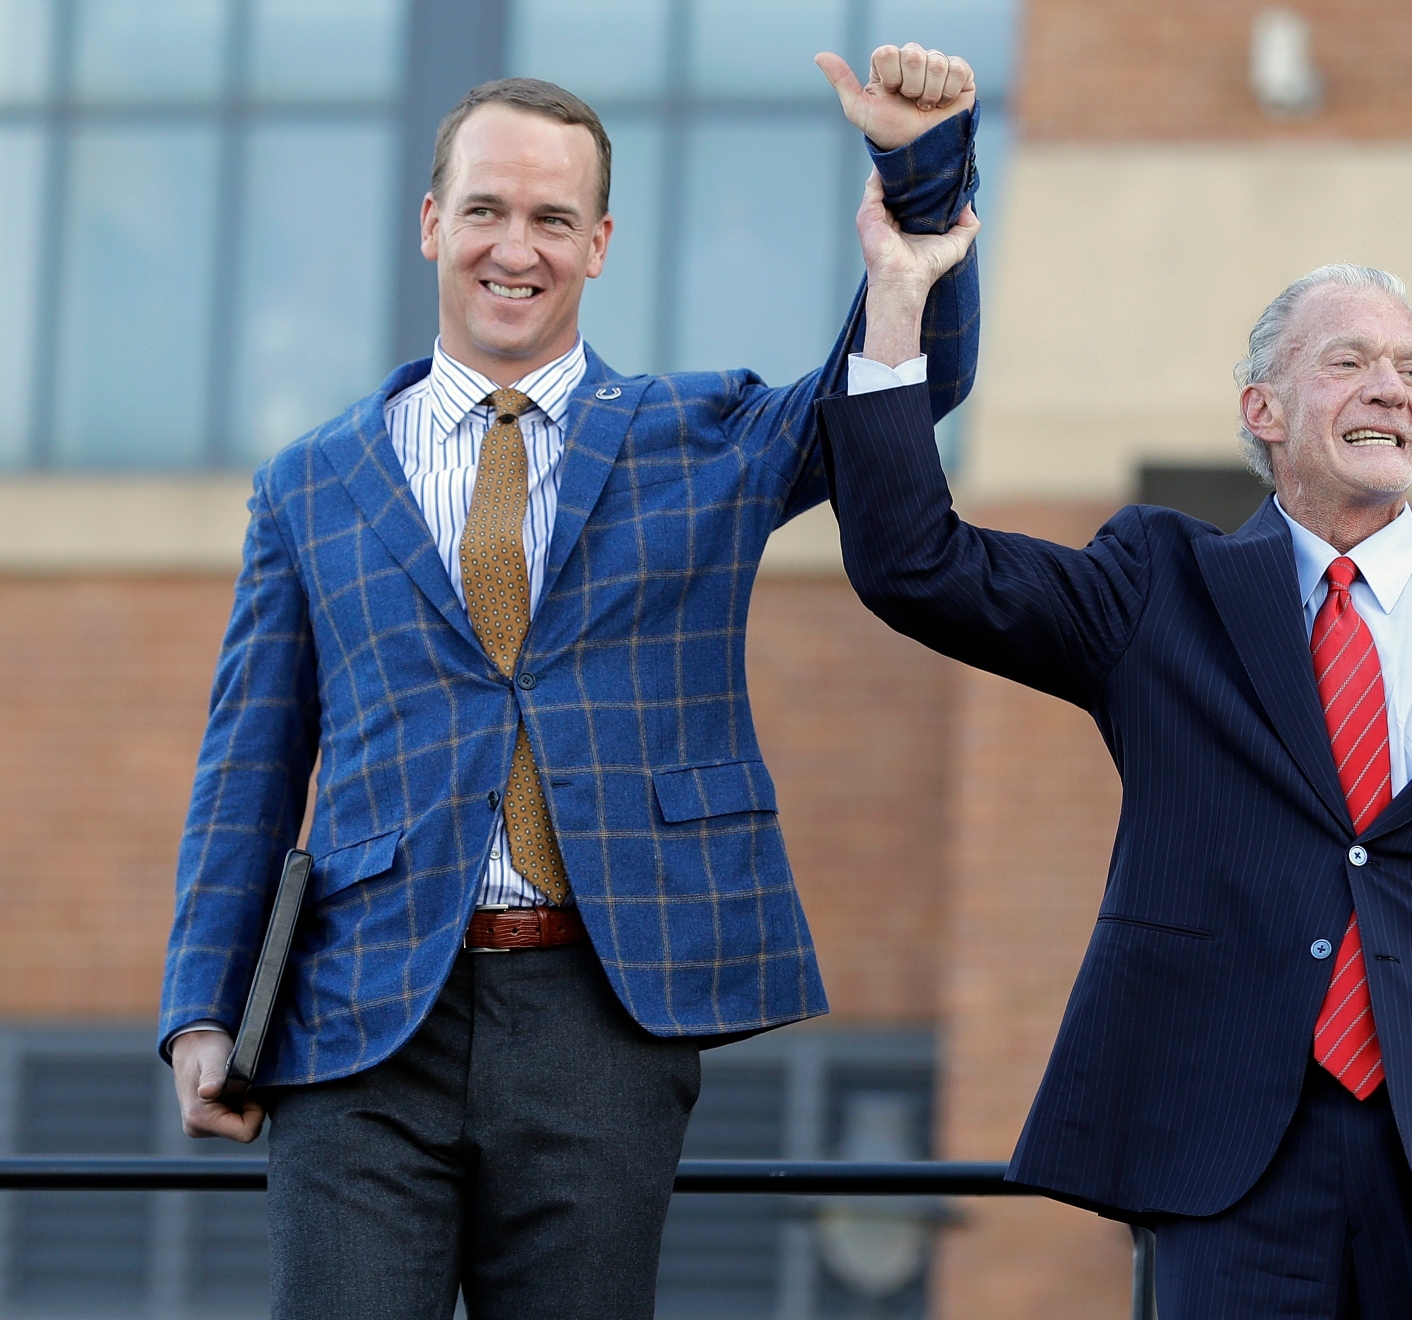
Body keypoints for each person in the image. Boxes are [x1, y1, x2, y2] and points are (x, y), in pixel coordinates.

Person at [158, 44, 980, 1319]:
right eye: (485, 209)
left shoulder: (699, 439)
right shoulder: (310, 484)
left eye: (552, 218)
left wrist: (919, 179)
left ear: (600, 243)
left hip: (602, 1008)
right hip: (362, 1014)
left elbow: (896, 393)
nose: (514, 246)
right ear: (433, 224)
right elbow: (247, 769)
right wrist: (202, 1005)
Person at [818, 233, 1412, 1314]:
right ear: (1262, 411)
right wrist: (899, 300)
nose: (1392, 391)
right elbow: (916, 562)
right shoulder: (1157, 590)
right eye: (1350, 361)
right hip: (1236, 1176)